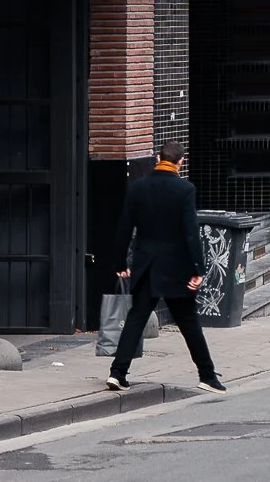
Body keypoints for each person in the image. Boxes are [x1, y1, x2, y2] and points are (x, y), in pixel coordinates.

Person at [105, 150, 224, 395]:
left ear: (158, 159)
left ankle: (117, 373)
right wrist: (198, 269)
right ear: (181, 162)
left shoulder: (138, 188)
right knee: (189, 323)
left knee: (136, 319)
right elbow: (191, 232)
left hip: (146, 265)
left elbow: (124, 227)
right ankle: (207, 376)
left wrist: (119, 263)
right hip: (176, 268)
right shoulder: (185, 190)